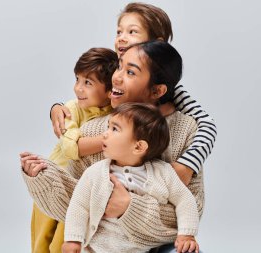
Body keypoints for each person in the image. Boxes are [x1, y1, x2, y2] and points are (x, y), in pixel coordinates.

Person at [27, 2, 215, 252]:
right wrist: (57, 109)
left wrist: (130, 207)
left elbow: (207, 126)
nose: (122, 39)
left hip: (157, 240)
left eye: (133, 32)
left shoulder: (181, 118)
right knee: (58, 236)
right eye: (119, 65)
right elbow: (78, 200)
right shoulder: (104, 121)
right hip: (97, 234)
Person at [62, 102, 200, 253]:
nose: (105, 133)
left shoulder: (163, 173)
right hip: (97, 249)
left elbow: (185, 200)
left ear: (138, 147)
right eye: (108, 126)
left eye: (114, 129)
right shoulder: (95, 173)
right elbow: (79, 205)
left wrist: (187, 234)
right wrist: (73, 239)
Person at [31, 47, 118, 253]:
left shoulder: (118, 112)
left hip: (76, 191)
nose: (78, 88)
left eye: (88, 83)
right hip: (51, 182)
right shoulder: (72, 108)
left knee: (64, 240)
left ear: (109, 90)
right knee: (41, 241)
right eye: (77, 79)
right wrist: (109, 140)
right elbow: (71, 148)